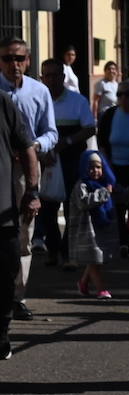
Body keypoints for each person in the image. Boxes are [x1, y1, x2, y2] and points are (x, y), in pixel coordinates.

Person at [0, 37, 57, 323]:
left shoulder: (39, 91)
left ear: (28, 60)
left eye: (19, 58)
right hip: (1, 169)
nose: (15, 64)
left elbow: (51, 132)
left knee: (23, 236)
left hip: (25, 172)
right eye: (8, 58)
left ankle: (17, 297)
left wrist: (35, 146)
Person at [37, 58, 95, 271]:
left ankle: (69, 253)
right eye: (47, 75)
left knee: (73, 208)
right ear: (42, 78)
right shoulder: (39, 101)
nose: (51, 79)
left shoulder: (77, 101)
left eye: (55, 75)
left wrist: (68, 141)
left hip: (71, 161)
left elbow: (90, 128)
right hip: (47, 161)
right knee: (47, 209)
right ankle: (53, 250)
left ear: (63, 77)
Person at [0, 80, 40, 361]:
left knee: (5, 273)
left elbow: (28, 148)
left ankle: (1, 332)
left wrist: (32, 191)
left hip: (2, 212)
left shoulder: (4, 103)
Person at [96, 80, 129, 257]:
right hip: (113, 166)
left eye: (128, 94)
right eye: (120, 94)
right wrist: (108, 173)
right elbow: (101, 144)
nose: (123, 98)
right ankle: (122, 241)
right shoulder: (109, 115)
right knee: (116, 208)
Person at [68, 150, 118, 299]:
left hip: (99, 230)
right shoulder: (81, 185)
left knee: (95, 260)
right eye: (91, 167)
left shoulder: (103, 184)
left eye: (98, 167)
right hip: (86, 231)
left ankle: (83, 283)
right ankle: (101, 289)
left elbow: (118, 193)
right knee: (94, 258)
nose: (95, 170)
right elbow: (84, 202)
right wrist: (104, 194)